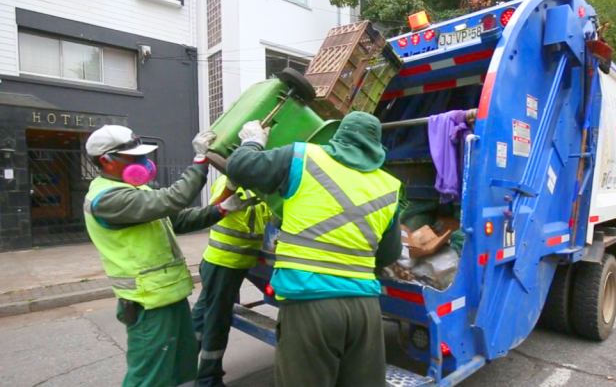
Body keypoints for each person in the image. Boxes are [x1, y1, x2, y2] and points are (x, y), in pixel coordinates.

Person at [226, 111, 403, 387]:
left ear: (338, 135)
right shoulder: (390, 186)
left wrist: (253, 142)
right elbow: (389, 255)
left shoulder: (302, 157)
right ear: (377, 148)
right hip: (364, 309)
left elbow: (239, 167)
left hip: (310, 305)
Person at [83, 125, 252, 387]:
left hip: (170, 296)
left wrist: (221, 209)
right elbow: (174, 199)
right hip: (148, 304)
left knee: (181, 370)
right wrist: (199, 162)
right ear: (106, 160)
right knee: (149, 378)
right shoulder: (106, 199)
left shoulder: (137, 191)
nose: (143, 162)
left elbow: (179, 220)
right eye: (134, 158)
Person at [192, 175, 271, 387]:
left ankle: (184, 369)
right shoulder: (231, 182)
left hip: (232, 263)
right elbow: (212, 210)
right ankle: (208, 380)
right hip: (225, 263)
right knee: (216, 321)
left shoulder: (259, 185)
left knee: (202, 314)